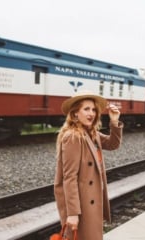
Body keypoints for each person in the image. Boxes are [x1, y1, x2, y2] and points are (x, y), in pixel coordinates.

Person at [54, 90, 123, 240]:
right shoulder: (73, 137)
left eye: (93, 109)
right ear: (75, 113)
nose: (91, 113)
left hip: (91, 202)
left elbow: (113, 144)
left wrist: (114, 121)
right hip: (81, 207)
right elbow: (69, 177)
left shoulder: (92, 133)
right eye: (86, 109)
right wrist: (72, 213)